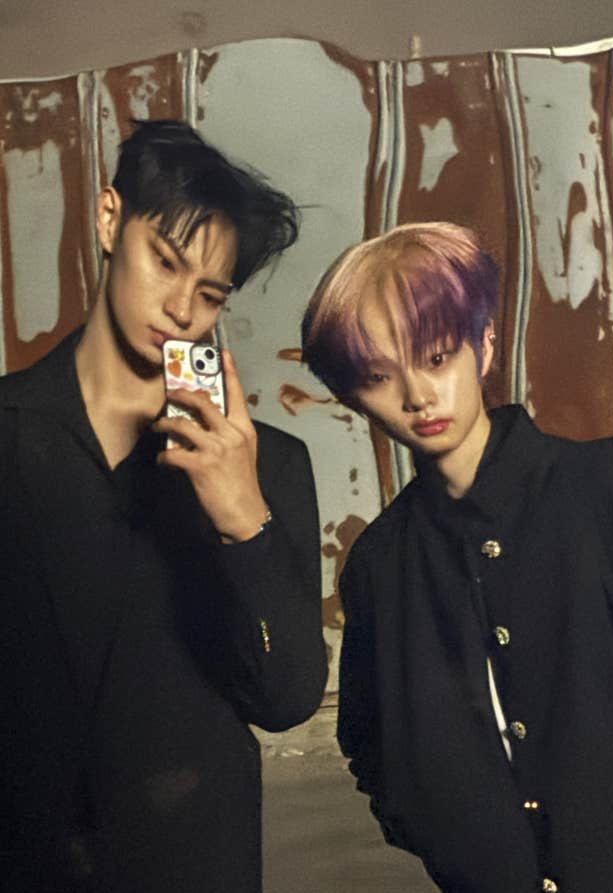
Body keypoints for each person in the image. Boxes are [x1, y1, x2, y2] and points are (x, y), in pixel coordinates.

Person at [0, 119, 327, 893]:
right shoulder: (8, 434)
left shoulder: (271, 464)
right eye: (166, 261)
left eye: (210, 294)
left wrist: (244, 519)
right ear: (109, 218)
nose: (182, 307)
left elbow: (285, 700)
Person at [301, 221, 613, 892]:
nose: (418, 396)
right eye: (381, 376)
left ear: (486, 343)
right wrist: (446, 837)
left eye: (437, 357)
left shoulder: (606, 490)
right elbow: (370, 742)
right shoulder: (381, 565)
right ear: (352, 395)